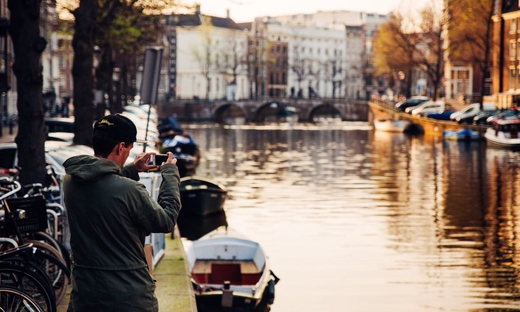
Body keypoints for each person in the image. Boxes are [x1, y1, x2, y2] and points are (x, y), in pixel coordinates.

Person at [62, 114, 182, 312]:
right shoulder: (131, 190)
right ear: (120, 147)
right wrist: (169, 174)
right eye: (129, 148)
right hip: (127, 297)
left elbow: (103, 186)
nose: (128, 153)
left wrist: (131, 169)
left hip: (85, 294)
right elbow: (166, 220)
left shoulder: (71, 181)